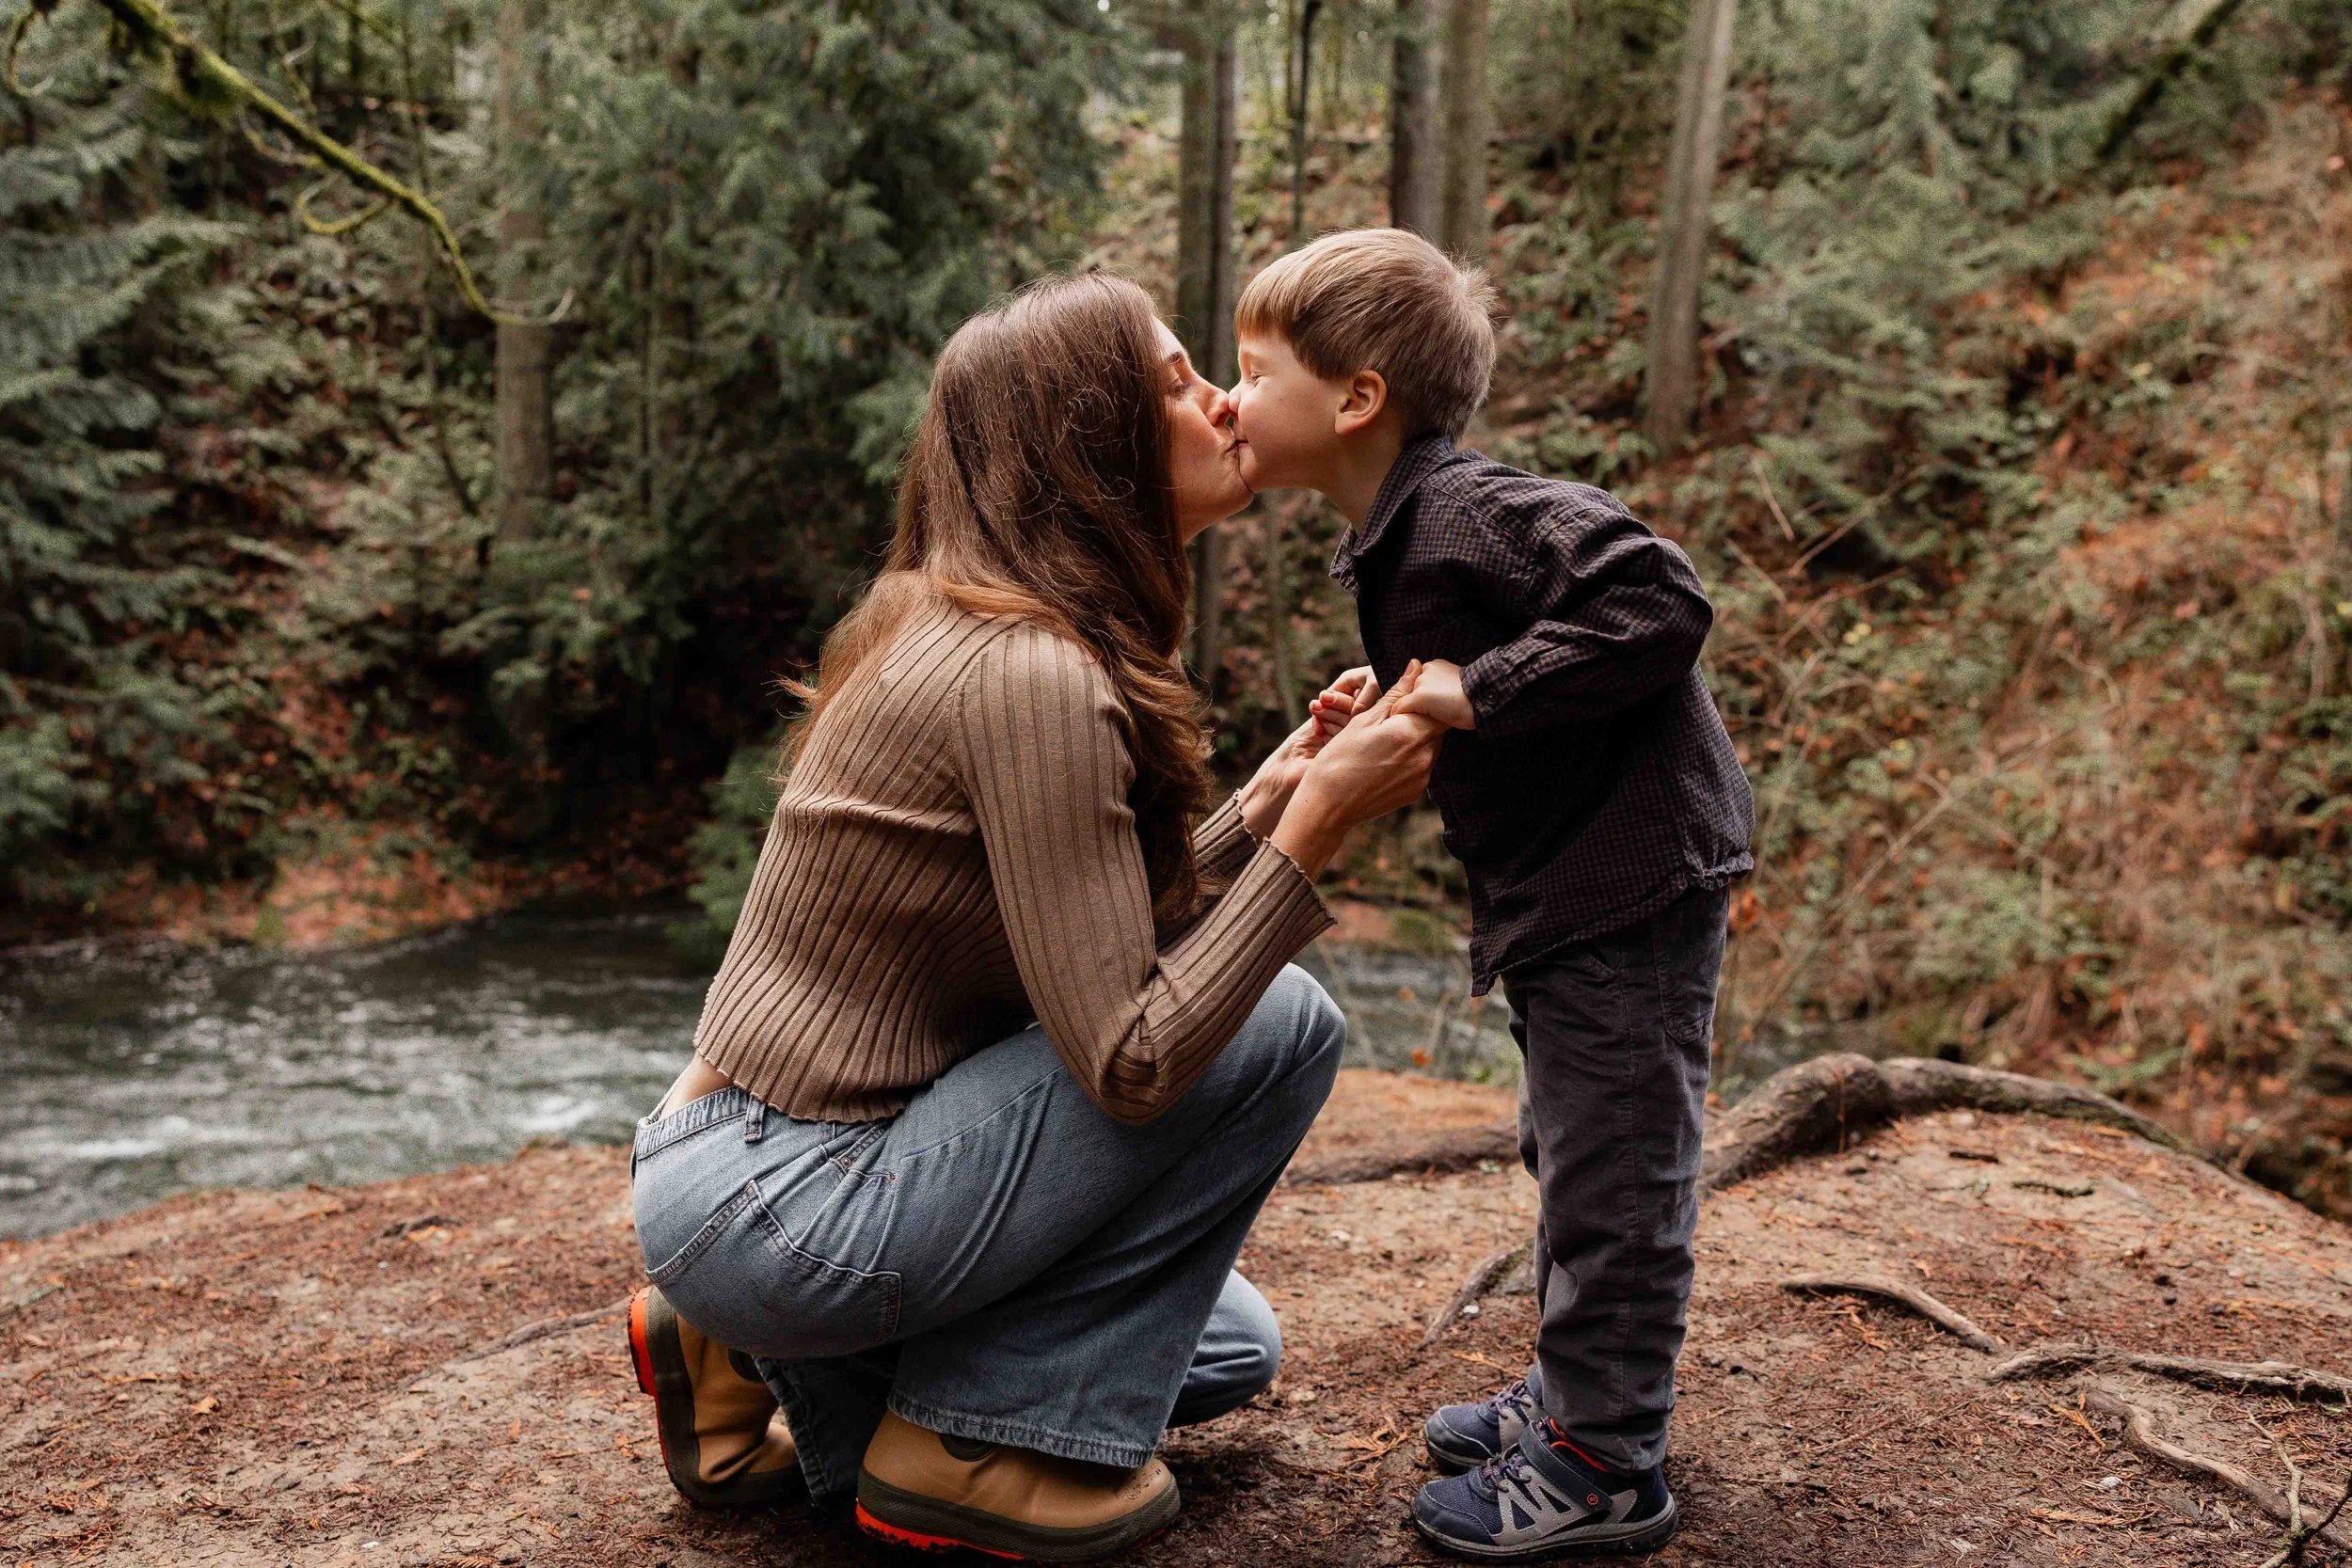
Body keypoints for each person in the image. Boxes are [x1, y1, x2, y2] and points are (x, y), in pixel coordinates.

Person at [624, 270, 1447, 1561]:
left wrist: (1266, 801)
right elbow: (1130, 1058)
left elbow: (1087, 937)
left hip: (747, 1170)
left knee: (1229, 1346)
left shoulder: (961, 620)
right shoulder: (1032, 677)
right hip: (788, 1198)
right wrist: (1316, 835)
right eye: (1177, 384)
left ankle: (735, 1343)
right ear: (1091, 448)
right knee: (1282, 1022)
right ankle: (954, 1452)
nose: (1224, 400)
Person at [1224, 228, 1756, 1560]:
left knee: (1617, 1167)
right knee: (1571, 1143)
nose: (1230, 400)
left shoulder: (1471, 509)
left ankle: (1606, 1458)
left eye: (1250, 368)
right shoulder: (1406, 535)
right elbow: (1504, 652)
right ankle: (1581, 1391)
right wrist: (1410, 687)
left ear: (1356, 400)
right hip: (1575, 881)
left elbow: (1662, 598)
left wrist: (1479, 687)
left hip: (1626, 875)